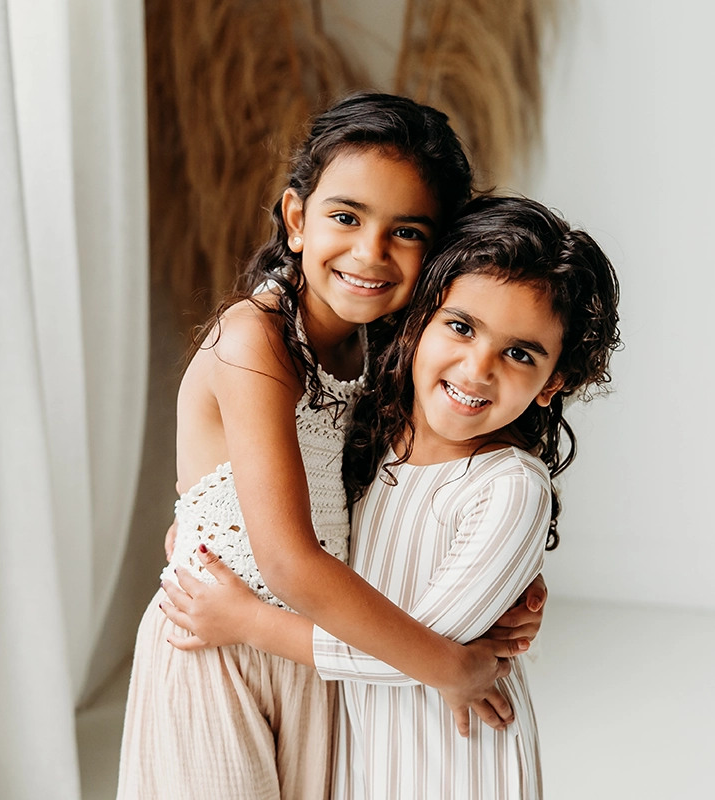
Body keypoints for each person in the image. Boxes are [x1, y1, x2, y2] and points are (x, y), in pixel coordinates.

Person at [117, 94, 545, 800]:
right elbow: (285, 561)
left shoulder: (382, 351)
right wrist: (447, 665)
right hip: (216, 645)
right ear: (296, 220)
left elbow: (416, 489)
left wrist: (503, 573)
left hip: (323, 660)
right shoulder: (251, 339)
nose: (369, 253)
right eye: (346, 217)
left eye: (406, 231)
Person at [162, 195, 623, 798]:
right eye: (461, 327)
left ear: (552, 383)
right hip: (368, 760)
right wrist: (203, 525)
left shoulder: (508, 489)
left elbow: (403, 654)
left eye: (519, 353)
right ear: (420, 323)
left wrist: (247, 622)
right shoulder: (378, 441)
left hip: (460, 766)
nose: (477, 367)